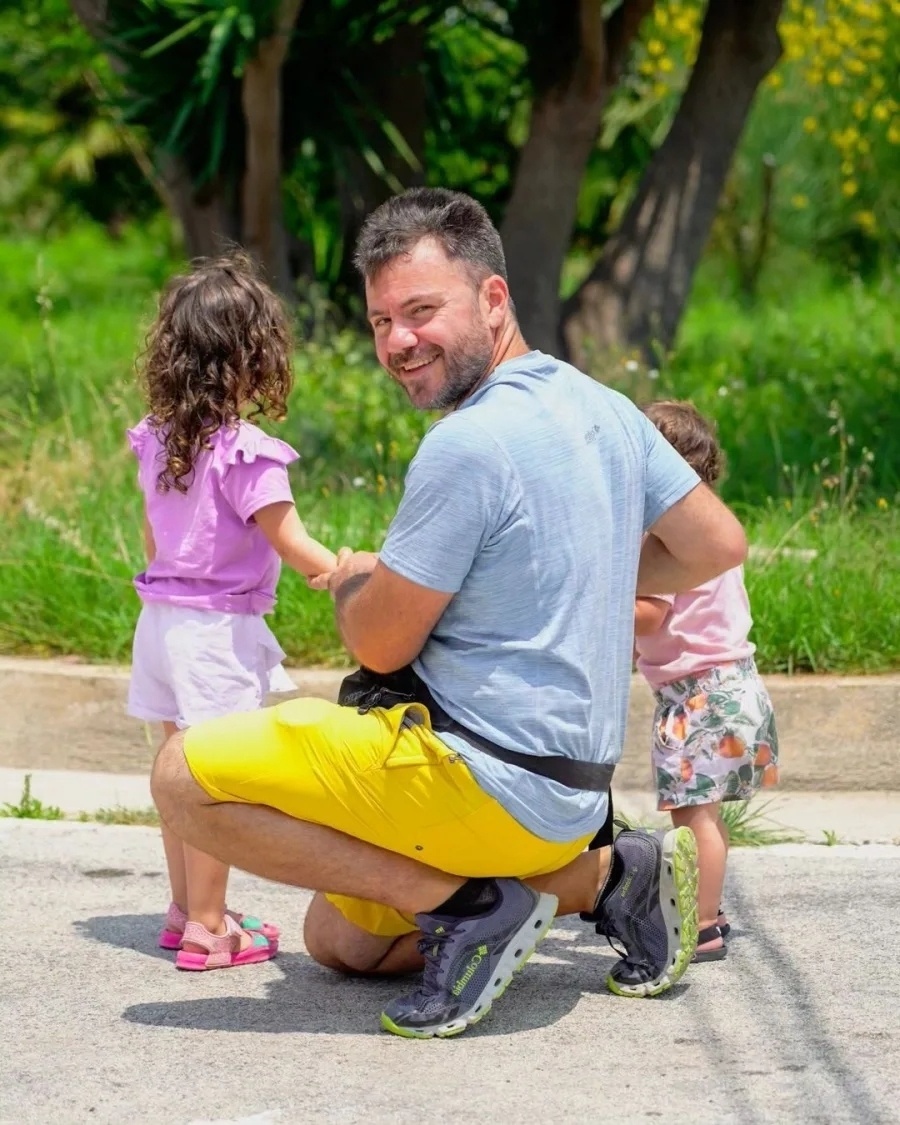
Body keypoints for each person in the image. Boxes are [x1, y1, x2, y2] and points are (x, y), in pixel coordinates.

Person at [150, 188, 748, 1037]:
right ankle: (612, 878)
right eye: (380, 319)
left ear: (493, 298)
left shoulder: (465, 444)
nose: (398, 340)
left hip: (480, 778)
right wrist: (580, 562)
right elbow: (717, 544)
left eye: (421, 310)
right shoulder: (605, 407)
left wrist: (361, 576)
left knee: (182, 780)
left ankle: (473, 909)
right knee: (337, 942)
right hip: (571, 805)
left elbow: (381, 638)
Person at [127, 252, 336, 971]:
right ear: (253, 356)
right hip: (215, 630)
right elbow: (290, 537)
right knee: (212, 779)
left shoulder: (157, 438)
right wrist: (337, 570)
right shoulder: (248, 452)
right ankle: (212, 929)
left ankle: (186, 907)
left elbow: (152, 534)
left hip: (159, 621)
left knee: (176, 773)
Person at [633, 400, 779, 961]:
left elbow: (650, 615)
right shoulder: (708, 524)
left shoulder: (667, 539)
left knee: (693, 819)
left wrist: (595, 609)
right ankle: (705, 909)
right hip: (731, 684)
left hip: (699, 696)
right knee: (704, 815)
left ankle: (704, 924)